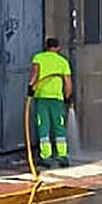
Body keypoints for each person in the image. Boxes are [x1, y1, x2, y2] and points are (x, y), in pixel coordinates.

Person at [28, 37, 73, 168]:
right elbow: (68, 83)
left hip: (42, 98)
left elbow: (34, 75)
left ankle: (46, 156)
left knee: (43, 126)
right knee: (59, 126)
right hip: (57, 99)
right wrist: (67, 97)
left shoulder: (38, 58)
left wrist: (30, 89)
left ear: (46, 47)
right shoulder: (63, 61)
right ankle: (62, 155)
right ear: (58, 47)